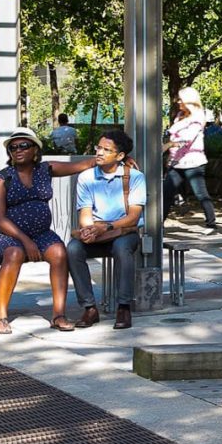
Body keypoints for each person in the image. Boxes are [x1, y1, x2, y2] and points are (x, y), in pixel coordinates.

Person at [0, 127, 96, 335]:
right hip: (8, 235)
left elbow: (83, 164)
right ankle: (1, 315)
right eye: (13, 147)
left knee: (59, 252)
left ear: (35, 149)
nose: (17, 150)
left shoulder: (45, 169)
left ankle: (58, 314)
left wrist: (120, 160)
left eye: (23, 146)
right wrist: (25, 240)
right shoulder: (2, 179)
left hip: (41, 233)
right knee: (14, 253)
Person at [66, 129, 148, 330]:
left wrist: (106, 226)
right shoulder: (86, 177)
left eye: (106, 149)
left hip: (124, 232)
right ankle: (89, 308)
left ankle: (123, 306)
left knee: (122, 248)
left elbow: (133, 217)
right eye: (98, 147)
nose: (99, 153)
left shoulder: (135, 177)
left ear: (120, 156)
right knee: (73, 248)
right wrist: (89, 230)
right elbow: (85, 216)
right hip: (97, 233)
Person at [163, 86, 216, 231]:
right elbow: (174, 137)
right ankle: (158, 225)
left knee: (200, 193)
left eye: (181, 99)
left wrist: (168, 144)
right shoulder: (179, 115)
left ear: (189, 100)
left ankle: (211, 223)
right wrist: (170, 155)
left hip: (193, 162)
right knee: (166, 192)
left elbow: (187, 138)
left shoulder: (198, 117)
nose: (178, 101)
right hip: (177, 161)